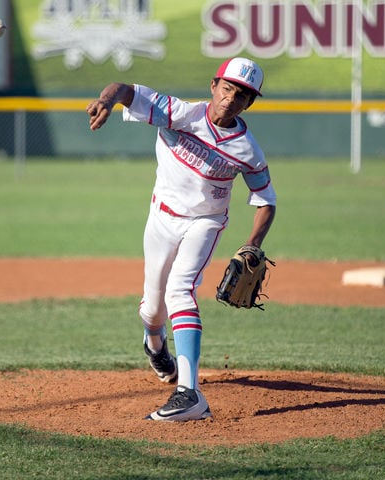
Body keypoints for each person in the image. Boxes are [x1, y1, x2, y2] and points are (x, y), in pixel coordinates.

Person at [86, 57, 276, 421]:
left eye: (242, 96)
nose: (231, 99)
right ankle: (155, 346)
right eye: (228, 88)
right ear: (213, 86)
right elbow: (127, 91)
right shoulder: (180, 114)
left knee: (180, 289)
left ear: (249, 104)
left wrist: (253, 243)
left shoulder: (247, 150)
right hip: (160, 219)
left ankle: (190, 393)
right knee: (152, 309)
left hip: (205, 222)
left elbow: (266, 201)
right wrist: (107, 100)